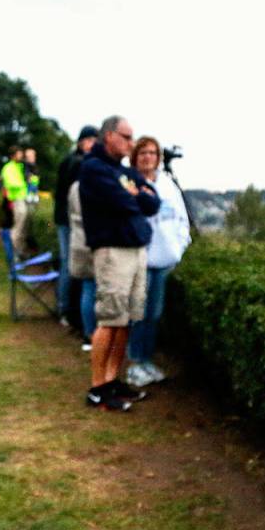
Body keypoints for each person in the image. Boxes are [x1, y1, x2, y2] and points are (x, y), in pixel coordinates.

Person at [79, 115, 160, 412]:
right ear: (109, 136)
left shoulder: (121, 171)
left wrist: (136, 194)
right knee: (110, 318)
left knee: (125, 319)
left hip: (135, 248)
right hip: (113, 251)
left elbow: (153, 203)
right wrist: (136, 196)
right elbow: (123, 202)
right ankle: (98, 387)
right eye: (126, 137)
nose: (131, 143)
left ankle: (112, 380)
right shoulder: (93, 169)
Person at [126, 137, 191, 387]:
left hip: (165, 258)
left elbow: (181, 218)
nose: (148, 157)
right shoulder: (129, 182)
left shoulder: (167, 185)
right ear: (135, 156)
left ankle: (146, 359)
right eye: (142, 152)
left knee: (154, 313)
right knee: (138, 314)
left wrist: (180, 245)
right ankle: (135, 362)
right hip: (140, 259)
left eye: (152, 153)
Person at [55, 125, 98, 327]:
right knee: (69, 265)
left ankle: (69, 310)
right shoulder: (76, 162)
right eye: (92, 140)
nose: (96, 144)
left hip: (69, 220)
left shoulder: (74, 160)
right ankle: (65, 309)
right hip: (69, 221)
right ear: (83, 141)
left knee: (72, 266)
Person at [67, 178, 97, 352]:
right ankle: (95, 333)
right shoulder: (97, 184)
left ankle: (88, 334)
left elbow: (70, 210)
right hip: (93, 241)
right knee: (93, 289)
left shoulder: (75, 186)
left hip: (78, 240)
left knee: (86, 288)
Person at [0, 146, 29, 256]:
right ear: (13, 155)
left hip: (23, 198)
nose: (21, 155)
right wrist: (24, 184)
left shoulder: (19, 166)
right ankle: (13, 252)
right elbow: (10, 184)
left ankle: (19, 250)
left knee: (22, 226)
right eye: (19, 153)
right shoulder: (8, 168)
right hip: (17, 200)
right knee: (18, 227)